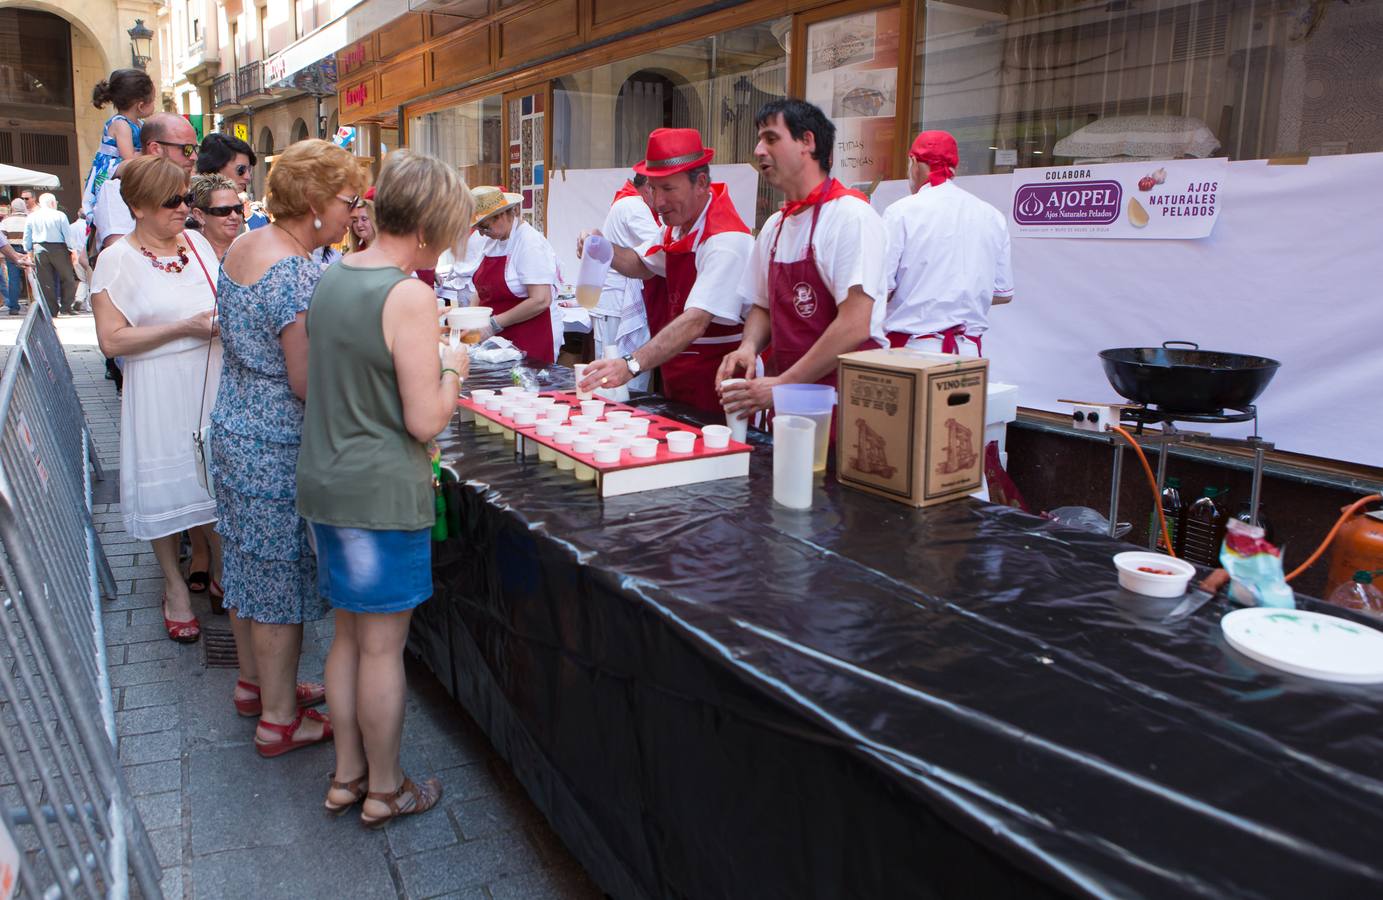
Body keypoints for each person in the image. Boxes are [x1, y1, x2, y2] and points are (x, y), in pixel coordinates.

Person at [297, 149, 472, 825]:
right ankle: (386, 788)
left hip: (327, 483)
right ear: (427, 227)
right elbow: (424, 416)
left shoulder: (335, 275)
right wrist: (452, 366)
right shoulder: (409, 294)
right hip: (376, 492)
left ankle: (347, 778)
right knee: (380, 648)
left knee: (346, 637)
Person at [212, 139, 366, 758]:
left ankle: (255, 686)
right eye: (346, 199)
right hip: (276, 442)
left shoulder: (247, 243)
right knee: (280, 578)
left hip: (235, 423)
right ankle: (280, 718)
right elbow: (306, 380)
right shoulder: (297, 271)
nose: (351, 212)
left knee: (249, 565)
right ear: (313, 201)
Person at [90, 155, 221, 644]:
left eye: (186, 199)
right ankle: (174, 587)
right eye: (173, 201)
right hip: (159, 386)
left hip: (209, 379)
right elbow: (112, 341)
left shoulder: (198, 243)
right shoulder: (116, 260)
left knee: (212, 484)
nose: (183, 209)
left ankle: (221, 573)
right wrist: (184, 328)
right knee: (167, 488)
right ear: (139, 207)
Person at [719, 99, 887, 417]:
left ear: (807, 142)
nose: (758, 150)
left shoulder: (851, 217)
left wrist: (782, 385)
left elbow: (854, 325)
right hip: (787, 405)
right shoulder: (774, 227)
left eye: (771, 138)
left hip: (844, 405)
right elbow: (762, 306)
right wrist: (748, 346)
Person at [577, 129, 754, 416]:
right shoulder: (676, 228)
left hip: (719, 384)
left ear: (701, 183)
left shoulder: (725, 240)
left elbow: (696, 321)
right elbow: (641, 264)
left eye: (668, 189)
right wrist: (601, 246)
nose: (658, 202)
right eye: (654, 188)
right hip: (680, 377)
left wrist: (631, 364)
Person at [881, 131, 1013, 356]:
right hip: (968, 352)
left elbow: (881, 288)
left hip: (912, 351)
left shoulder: (900, 212)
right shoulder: (991, 215)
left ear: (913, 162)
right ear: (954, 169)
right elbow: (1003, 293)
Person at [468, 186, 561, 364]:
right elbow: (481, 290)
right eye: (478, 228)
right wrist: (471, 317)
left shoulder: (529, 243)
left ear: (502, 215)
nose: (481, 233)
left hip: (527, 337)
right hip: (497, 342)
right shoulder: (492, 242)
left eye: (484, 227)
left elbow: (541, 299)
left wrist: (494, 324)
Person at [590, 174, 659, 391]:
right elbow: (659, 247)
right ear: (648, 187)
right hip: (619, 304)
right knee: (619, 374)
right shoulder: (633, 206)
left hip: (615, 302)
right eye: (660, 189)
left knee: (613, 367)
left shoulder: (626, 203)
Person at [94, 113, 200, 251]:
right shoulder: (117, 189)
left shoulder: (188, 186)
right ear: (155, 149)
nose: (194, 156)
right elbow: (124, 257)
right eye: (186, 149)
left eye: (187, 199)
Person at [81, 69, 155, 219]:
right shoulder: (121, 124)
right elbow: (127, 158)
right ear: (140, 106)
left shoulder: (139, 124)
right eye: (153, 100)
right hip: (110, 168)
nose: (155, 104)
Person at [23, 193, 80, 316]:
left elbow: (27, 236)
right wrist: (72, 249)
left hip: (39, 248)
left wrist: (28, 250)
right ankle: (66, 306)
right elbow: (67, 234)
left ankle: (51, 309)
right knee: (68, 278)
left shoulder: (32, 216)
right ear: (53, 203)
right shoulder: (60, 215)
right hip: (59, 248)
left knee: (45, 281)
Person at [188, 173, 244, 261]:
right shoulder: (188, 257)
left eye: (238, 209)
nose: (234, 216)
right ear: (200, 216)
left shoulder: (252, 254)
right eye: (223, 210)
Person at [0, 228, 34, 315]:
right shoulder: (28, 218)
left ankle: (14, 307)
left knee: (13, 280)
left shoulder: (6, 221)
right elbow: (2, 243)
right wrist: (16, 257)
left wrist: (15, 256)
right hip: (25, 249)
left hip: (12, 249)